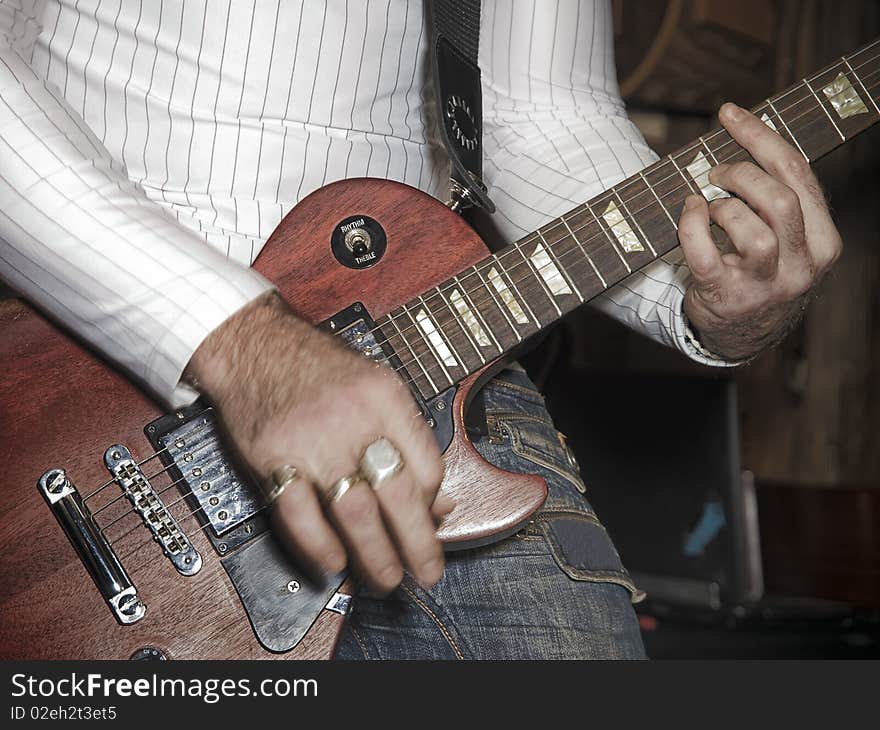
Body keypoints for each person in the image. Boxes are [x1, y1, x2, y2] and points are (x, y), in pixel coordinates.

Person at [0, 0, 841, 659]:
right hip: (76, 318)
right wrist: (238, 340)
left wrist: (699, 294)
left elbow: (544, 110)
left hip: (425, 334)